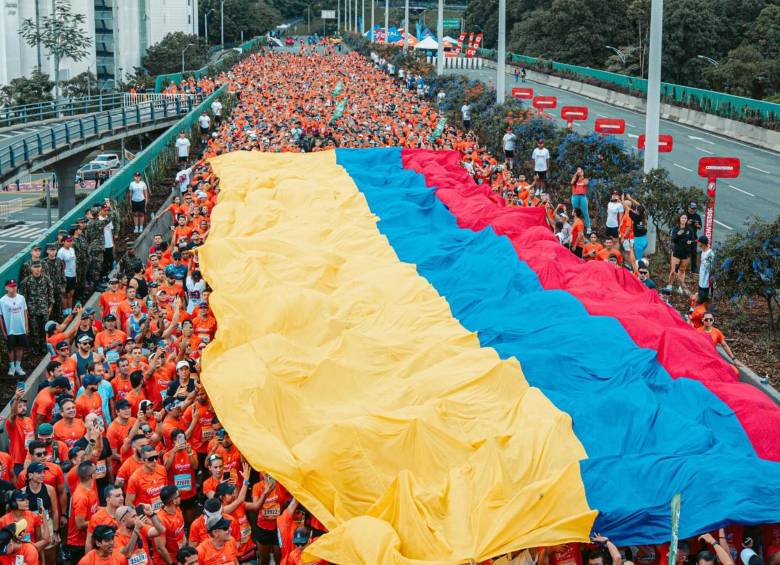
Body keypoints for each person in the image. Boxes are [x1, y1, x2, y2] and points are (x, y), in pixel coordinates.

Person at [67, 460, 100, 564]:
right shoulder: (81, 496)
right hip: (78, 543)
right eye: (95, 470)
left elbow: (94, 510)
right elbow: (80, 524)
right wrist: (99, 520)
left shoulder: (90, 489)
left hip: (88, 538)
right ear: (92, 475)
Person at [19, 261, 54, 357]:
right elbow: (23, 297)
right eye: (35, 267)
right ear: (31, 268)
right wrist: (26, 311)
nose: (37, 269)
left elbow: (51, 293)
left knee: (45, 329)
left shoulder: (46, 279)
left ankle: (44, 345)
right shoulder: (26, 281)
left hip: (44, 309)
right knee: (34, 329)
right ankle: (36, 346)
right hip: (32, 310)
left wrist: (50, 307)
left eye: (39, 267)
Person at [0, 279, 28, 376]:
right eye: (11, 286)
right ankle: (11, 368)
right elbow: (0, 317)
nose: (13, 288)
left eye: (15, 286)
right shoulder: (2, 301)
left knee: (20, 348)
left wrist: (26, 326)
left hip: (21, 329)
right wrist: (4, 331)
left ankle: (18, 367)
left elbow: (25, 312)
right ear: (6, 288)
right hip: (10, 330)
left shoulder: (21, 298)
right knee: (10, 349)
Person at [666, 213, 694, 295]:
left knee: (682, 270)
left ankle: (680, 287)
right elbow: (673, 240)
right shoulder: (675, 229)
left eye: (685, 218)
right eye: (682, 218)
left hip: (686, 253)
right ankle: (669, 285)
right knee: (673, 270)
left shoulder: (689, 229)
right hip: (676, 252)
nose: (684, 219)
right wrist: (678, 234)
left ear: (686, 220)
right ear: (679, 219)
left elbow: (693, 240)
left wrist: (691, 242)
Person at [57, 236, 78, 310]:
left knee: (71, 294)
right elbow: (59, 265)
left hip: (73, 275)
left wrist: (75, 275)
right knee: (65, 295)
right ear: (63, 242)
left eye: (71, 241)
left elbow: (74, 263)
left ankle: (70, 310)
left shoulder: (72, 249)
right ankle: (66, 312)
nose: (70, 242)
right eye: (68, 241)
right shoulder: (61, 252)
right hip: (66, 276)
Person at [570, 167, 590, 233]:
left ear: (583, 171)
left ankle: (588, 228)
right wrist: (576, 174)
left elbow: (586, 183)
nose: (579, 172)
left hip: (582, 197)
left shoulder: (585, 179)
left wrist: (581, 176)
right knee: (575, 212)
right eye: (578, 170)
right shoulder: (575, 179)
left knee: (585, 212)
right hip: (575, 196)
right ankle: (575, 226)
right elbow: (572, 182)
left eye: (580, 170)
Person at [696, 235, 714, 302]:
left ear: (703, 244)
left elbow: (711, 268)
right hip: (701, 280)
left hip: (706, 283)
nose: (698, 243)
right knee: (700, 298)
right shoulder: (703, 252)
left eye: (699, 242)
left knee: (703, 300)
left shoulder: (710, 254)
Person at [687, 202, 703, 273]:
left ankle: (694, 269)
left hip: (694, 237)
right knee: (684, 252)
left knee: (694, 253)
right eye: (692, 208)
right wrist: (687, 223)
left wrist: (697, 225)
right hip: (685, 237)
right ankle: (681, 267)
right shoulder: (685, 215)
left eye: (694, 209)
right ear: (688, 208)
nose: (693, 210)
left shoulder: (697, 216)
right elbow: (679, 224)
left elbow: (700, 227)